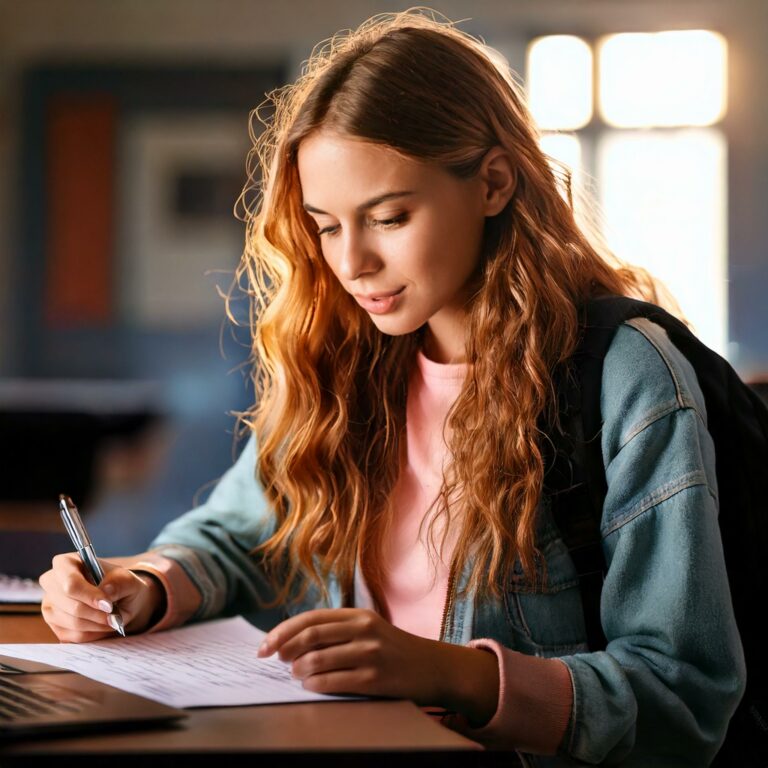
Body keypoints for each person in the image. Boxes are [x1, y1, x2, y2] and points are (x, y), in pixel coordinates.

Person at [38, 10, 745, 766]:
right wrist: (146, 582)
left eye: (388, 217)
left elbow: (681, 697)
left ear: (494, 184)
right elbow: (239, 535)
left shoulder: (625, 375)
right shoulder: (345, 359)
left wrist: (450, 674)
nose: (352, 264)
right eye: (325, 225)